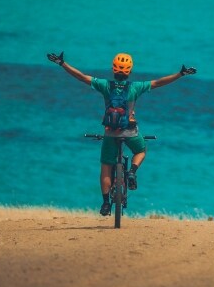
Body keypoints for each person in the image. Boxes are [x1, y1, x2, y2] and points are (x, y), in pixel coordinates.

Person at [47, 51, 196, 216]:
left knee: (106, 166)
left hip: (110, 132)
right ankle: (132, 171)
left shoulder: (105, 85)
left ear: (113, 69)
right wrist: (180, 74)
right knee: (140, 150)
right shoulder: (135, 87)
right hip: (130, 131)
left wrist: (62, 63)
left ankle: (105, 204)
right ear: (129, 71)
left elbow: (82, 77)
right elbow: (158, 83)